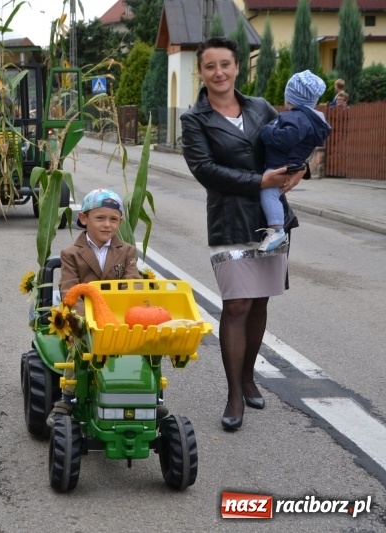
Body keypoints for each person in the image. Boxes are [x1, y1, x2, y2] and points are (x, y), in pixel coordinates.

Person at [180, 37, 306, 432]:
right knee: (236, 305)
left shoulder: (259, 107)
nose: (218, 72)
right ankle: (235, 393)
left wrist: (300, 171)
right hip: (230, 221)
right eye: (210, 66)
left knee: (259, 304)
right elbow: (206, 171)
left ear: (237, 68)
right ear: (200, 72)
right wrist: (260, 180)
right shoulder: (195, 119)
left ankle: (250, 376)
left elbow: (292, 140)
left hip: (271, 221)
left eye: (225, 65)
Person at [46, 188, 143, 427]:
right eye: (100, 218)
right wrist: (86, 319)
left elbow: (133, 283)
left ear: (120, 221)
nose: (107, 225)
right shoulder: (71, 254)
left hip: (115, 314)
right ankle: (68, 396)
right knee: (77, 347)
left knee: (143, 340)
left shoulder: (128, 251)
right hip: (83, 313)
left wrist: (133, 303)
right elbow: (69, 289)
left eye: (113, 219)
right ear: (84, 219)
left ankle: (147, 394)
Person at [258, 70, 331, 252]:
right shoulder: (308, 119)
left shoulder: (297, 117)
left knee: (268, 192)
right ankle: (277, 230)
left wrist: (266, 131)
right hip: (290, 162)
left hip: (281, 163)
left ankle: (277, 231)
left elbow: (285, 139)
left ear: (290, 97)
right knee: (274, 193)